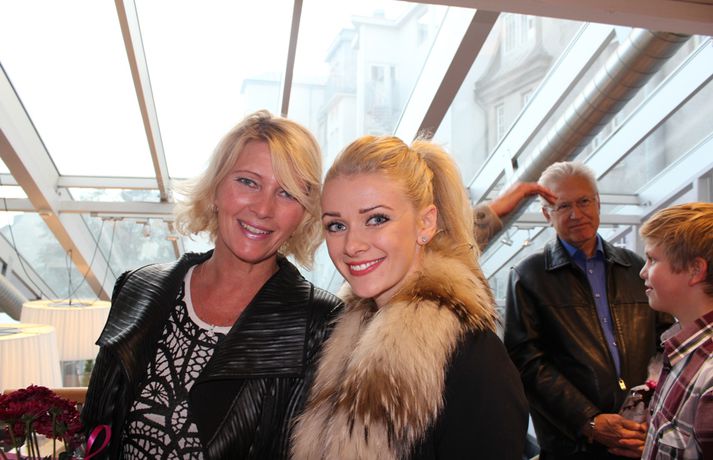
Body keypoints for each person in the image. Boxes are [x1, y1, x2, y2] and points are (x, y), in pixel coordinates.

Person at [80, 110, 342, 459]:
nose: (263, 208)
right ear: (216, 188)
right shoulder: (137, 288)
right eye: (248, 182)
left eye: (287, 193)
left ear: (304, 214)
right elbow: (93, 433)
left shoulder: (323, 324)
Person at [291, 135, 529, 459]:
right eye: (336, 225)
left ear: (426, 223)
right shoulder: (340, 335)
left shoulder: (473, 357)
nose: (352, 245)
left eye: (376, 219)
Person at [504, 160, 674, 459]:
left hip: (641, 435)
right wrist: (588, 420)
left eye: (584, 201)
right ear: (546, 214)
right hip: (572, 445)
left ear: (598, 203)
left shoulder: (635, 266)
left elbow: (666, 342)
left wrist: (652, 410)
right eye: (563, 206)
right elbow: (526, 362)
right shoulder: (528, 275)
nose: (576, 214)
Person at [638, 202, 713, 459]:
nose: (643, 272)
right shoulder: (684, 351)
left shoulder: (708, 375)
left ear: (695, 270)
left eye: (652, 259)